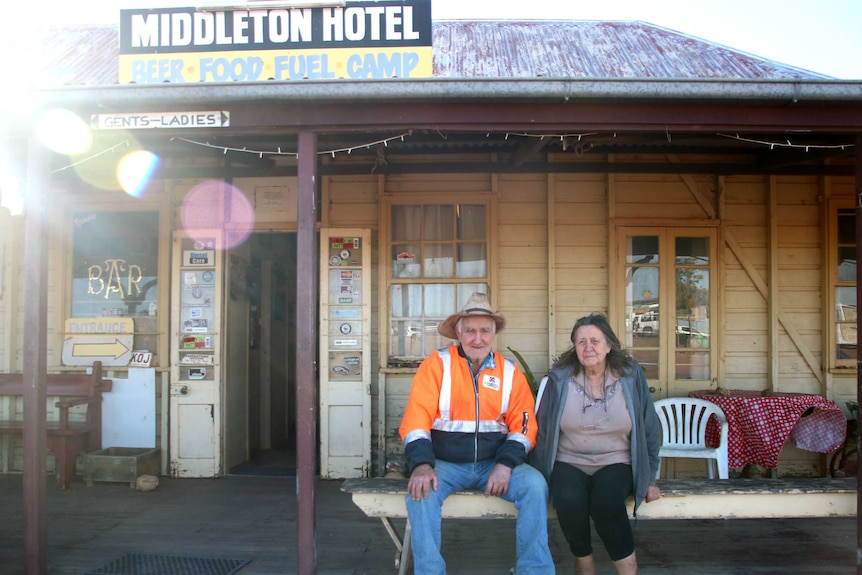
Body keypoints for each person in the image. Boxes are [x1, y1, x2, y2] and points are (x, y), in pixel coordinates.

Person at [399, 292, 556, 575]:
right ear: (458, 333)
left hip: (493, 465)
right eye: (470, 330)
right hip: (444, 465)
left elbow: (524, 426)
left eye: (485, 331)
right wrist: (421, 464)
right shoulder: (437, 365)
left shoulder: (510, 371)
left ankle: (534, 571)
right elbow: (415, 419)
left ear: (494, 334)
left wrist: (505, 465)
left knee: (535, 486)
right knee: (419, 493)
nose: (477, 338)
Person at [530, 313, 661, 575]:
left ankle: (628, 568)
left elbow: (649, 427)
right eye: (581, 342)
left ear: (608, 345)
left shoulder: (630, 376)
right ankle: (584, 561)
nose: (588, 347)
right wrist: (537, 475)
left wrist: (650, 477)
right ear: (574, 347)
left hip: (617, 460)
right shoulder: (559, 379)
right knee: (567, 498)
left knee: (606, 502)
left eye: (595, 341)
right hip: (569, 460)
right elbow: (541, 430)